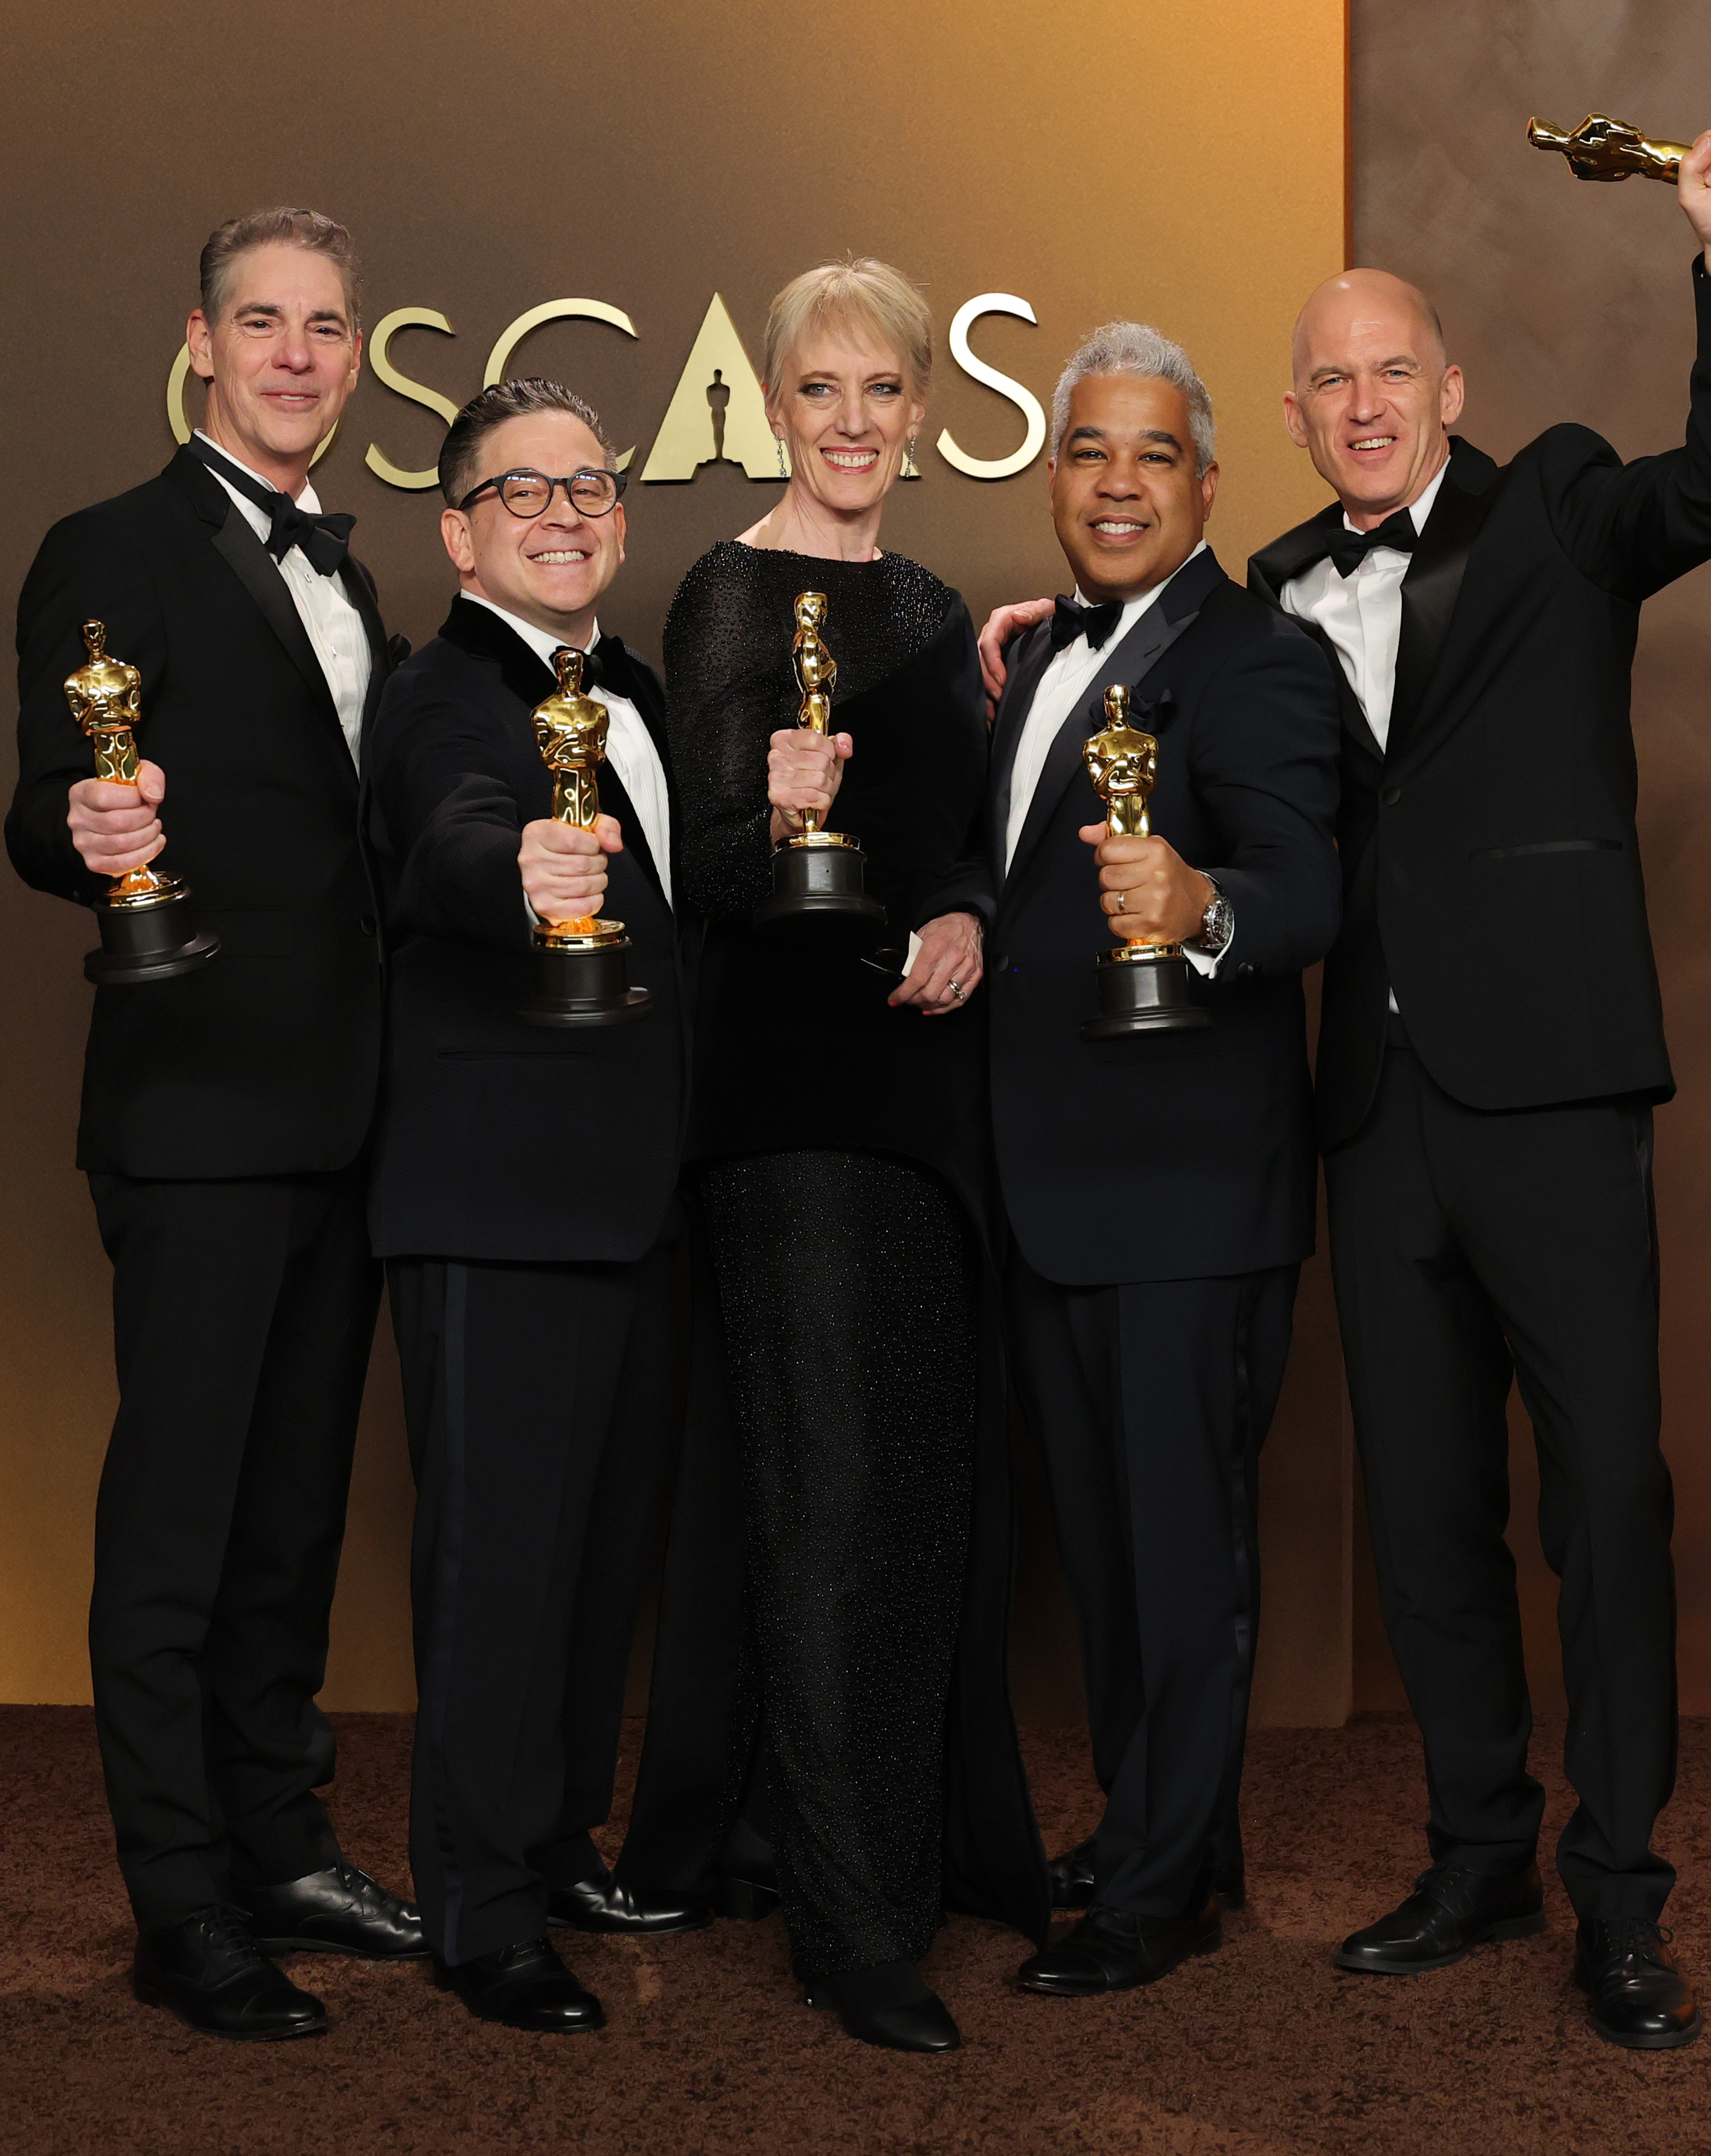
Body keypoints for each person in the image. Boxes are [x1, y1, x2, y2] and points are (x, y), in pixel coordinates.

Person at [1249, 133, 1711, 2049]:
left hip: (1556, 1093)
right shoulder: (1267, 587)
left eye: (1390, 368)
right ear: (1301, 416)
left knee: (1607, 1502)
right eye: (1327, 379)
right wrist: (1050, 667)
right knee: (1422, 1510)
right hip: (1375, 1111)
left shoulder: (1565, 506)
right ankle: (1474, 1848)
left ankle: (1621, 1894)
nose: (1361, 402)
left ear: (1451, 389)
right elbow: (1236, 781)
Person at [614, 259, 1046, 2056]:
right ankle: (853, 1926)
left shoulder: (941, 605)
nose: (854, 421)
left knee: (923, 1499)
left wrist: (964, 920)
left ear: (922, 415)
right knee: (831, 1503)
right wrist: (776, 819)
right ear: (774, 408)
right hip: (793, 1103)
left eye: (885, 392)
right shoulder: (728, 591)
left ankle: (884, 1844)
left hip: (925, 1104)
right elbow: (711, 868)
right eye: (823, 391)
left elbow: (949, 847)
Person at [5, 207, 421, 2042]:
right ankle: (181, 1903)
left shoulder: (361, 576)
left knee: (290, 1527)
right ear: (201, 340)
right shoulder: (111, 548)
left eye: (325, 327)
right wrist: (87, 842)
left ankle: (281, 1843)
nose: (296, 355)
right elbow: (48, 801)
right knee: (176, 1530)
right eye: (263, 322)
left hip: (342, 1120)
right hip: (191, 1118)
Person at [930, 322, 1342, 1999]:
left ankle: (1161, 1889)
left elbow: (1308, 887)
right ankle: (1170, 1827)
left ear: (1209, 482)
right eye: (1088, 452)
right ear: (1055, 474)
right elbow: (1008, 872)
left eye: (1150, 455)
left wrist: (1209, 906)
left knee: (1180, 1551)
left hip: (1183, 1187)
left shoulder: (1260, 662)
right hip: (1050, 1185)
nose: (1114, 483)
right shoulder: (1034, 664)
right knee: (1102, 1551)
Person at [361, 376, 705, 2036]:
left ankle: (555, 1838)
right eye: (523, 493)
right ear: (458, 529)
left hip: (634, 1201)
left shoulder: (630, 692)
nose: (564, 515)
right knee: (498, 1565)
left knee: (587, 1561)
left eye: (589, 487)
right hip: (497, 1203)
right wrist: (516, 876)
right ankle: (479, 1904)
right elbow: (448, 834)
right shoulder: (444, 693)